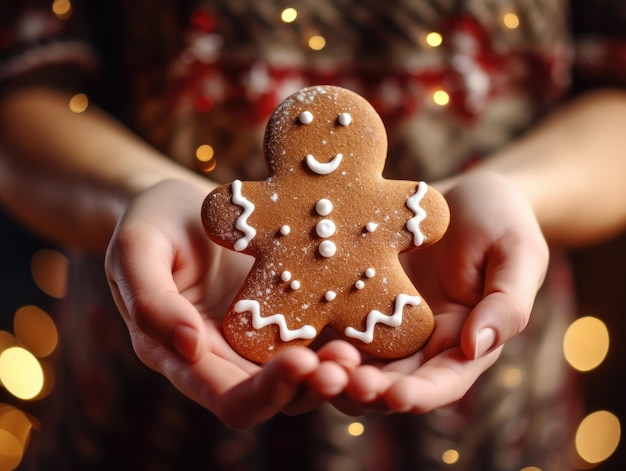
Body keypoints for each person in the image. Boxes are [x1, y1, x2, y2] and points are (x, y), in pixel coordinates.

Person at [1, 0, 626, 469]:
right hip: (153, 392)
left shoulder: (397, 207)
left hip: (488, 395)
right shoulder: (263, 205)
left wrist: (515, 192)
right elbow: (21, 95)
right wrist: (137, 194)